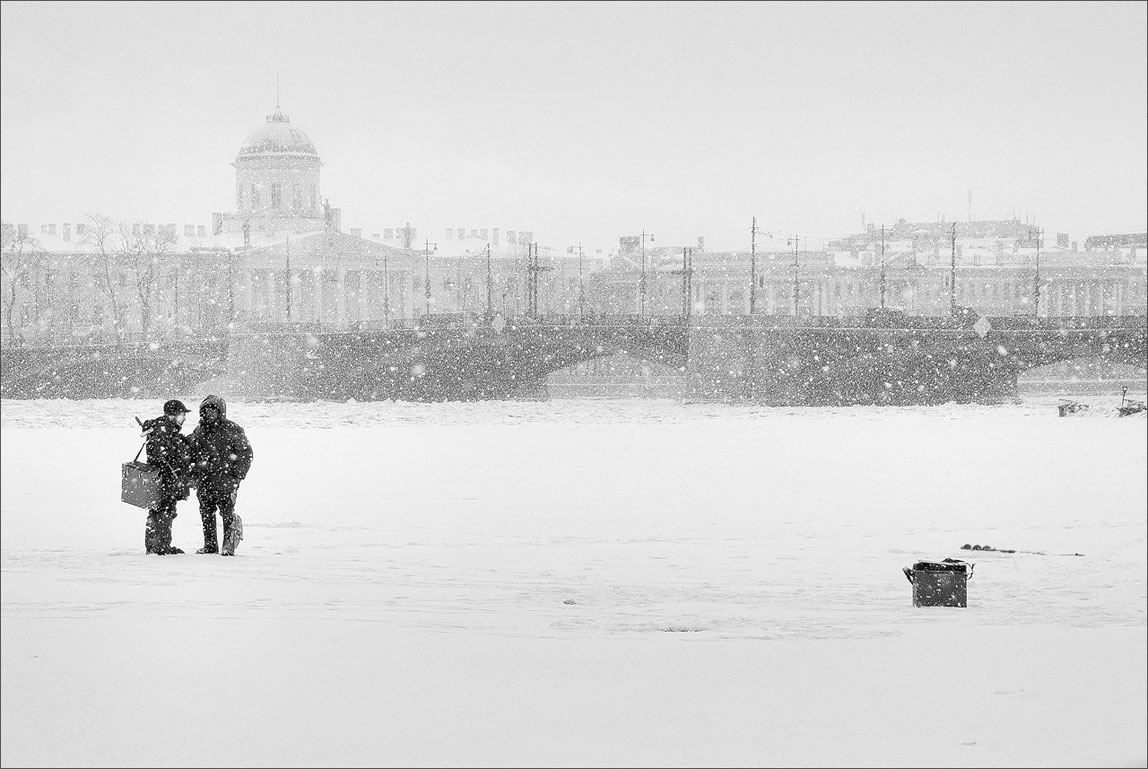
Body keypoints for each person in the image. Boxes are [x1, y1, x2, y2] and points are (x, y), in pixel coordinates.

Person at [189, 395, 253, 555]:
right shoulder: (199, 430)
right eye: (206, 410)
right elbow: (191, 451)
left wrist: (237, 475)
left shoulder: (233, 429)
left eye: (213, 410)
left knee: (227, 512)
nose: (209, 413)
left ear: (220, 412)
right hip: (205, 479)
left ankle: (228, 546)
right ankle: (210, 545)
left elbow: (246, 453)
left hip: (226, 479)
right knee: (206, 512)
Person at [141, 399, 193, 555]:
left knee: (156, 510)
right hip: (165, 478)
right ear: (175, 415)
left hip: (157, 477)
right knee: (166, 510)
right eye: (182, 415)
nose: (184, 419)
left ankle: (153, 546)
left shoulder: (160, 428)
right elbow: (165, 454)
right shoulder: (165, 429)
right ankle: (161, 546)